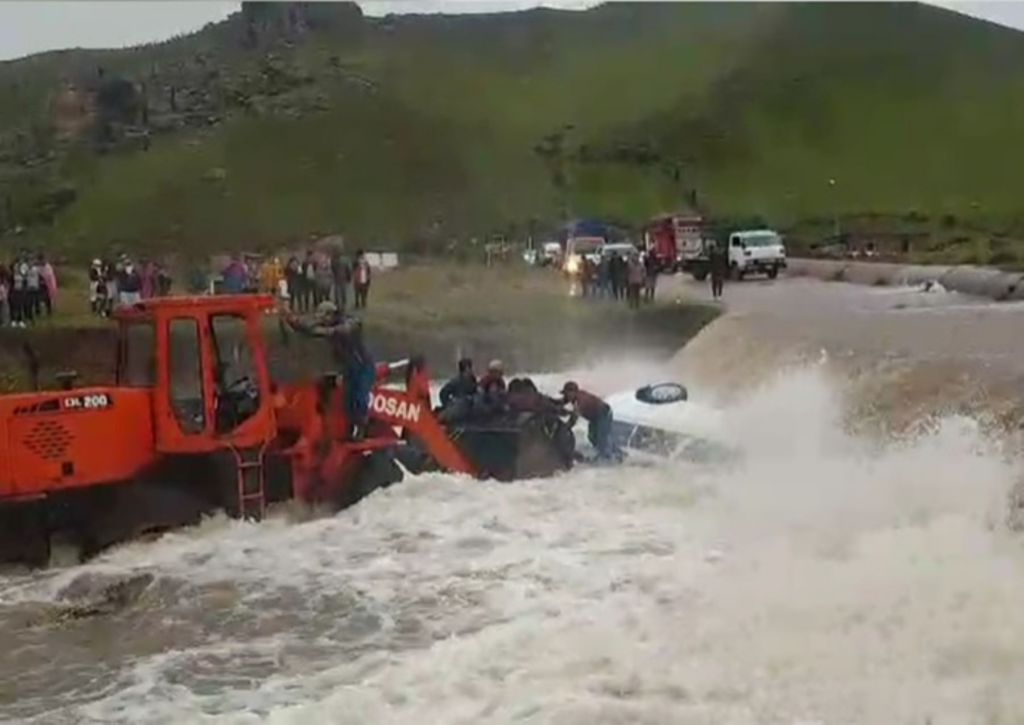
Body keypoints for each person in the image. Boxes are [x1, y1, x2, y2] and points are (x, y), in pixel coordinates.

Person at [284, 300, 375, 440]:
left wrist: (320, 331)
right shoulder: (329, 324)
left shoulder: (351, 323)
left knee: (359, 397)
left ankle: (362, 427)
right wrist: (293, 321)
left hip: (363, 366)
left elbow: (338, 331)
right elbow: (310, 327)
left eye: (324, 319)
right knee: (346, 399)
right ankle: (343, 426)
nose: (322, 322)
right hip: (348, 366)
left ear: (332, 314)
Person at [560, 381, 620, 461]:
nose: (567, 396)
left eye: (568, 393)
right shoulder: (571, 398)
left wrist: (565, 428)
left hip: (604, 414)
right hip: (594, 418)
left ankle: (607, 457)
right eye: (565, 394)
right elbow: (559, 403)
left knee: (601, 438)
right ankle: (615, 452)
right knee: (592, 437)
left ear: (574, 392)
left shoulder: (581, 401)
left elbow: (574, 418)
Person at [438, 357, 477, 423]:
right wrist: (449, 404)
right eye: (468, 369)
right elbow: (443, 393)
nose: (470, 371)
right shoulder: (456, 381)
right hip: (458, 408)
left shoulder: (473, 380)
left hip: (471, 410)